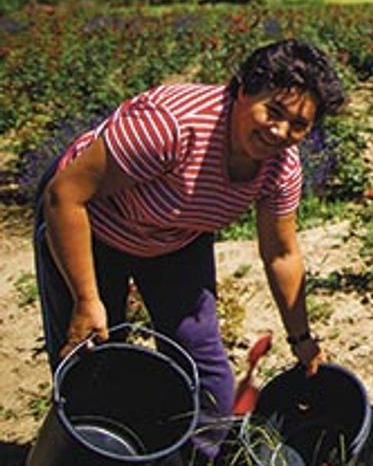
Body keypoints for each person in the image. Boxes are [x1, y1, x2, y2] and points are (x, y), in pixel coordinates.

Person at [33, 40, 345, 459]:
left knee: (203, 361)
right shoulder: (172, 126)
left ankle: (201, 455)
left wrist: (302, 338)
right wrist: (86, 300)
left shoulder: (280, 168)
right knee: (94, 360)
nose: (280, 132)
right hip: (90, 227)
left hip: (177, 237)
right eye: (273, 111)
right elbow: (65, 196)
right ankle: (91, 449)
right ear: (240, 91)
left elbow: (281, 253)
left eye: (298, 124)